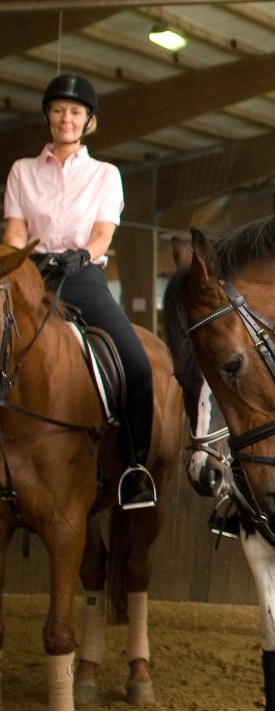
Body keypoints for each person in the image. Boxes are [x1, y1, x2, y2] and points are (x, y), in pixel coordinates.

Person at [3, 74, 157, 510]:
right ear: (47, 117)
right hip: (30, 274)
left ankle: (134, 468)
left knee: (137, 365)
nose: (65, 118)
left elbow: (103, 233)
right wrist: (18, 264)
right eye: (57, 110)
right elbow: (15, 232)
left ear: (88, 121)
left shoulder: (105, 175)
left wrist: (82, 256)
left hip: (82, 276)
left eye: (74, 112)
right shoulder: (22, 171)